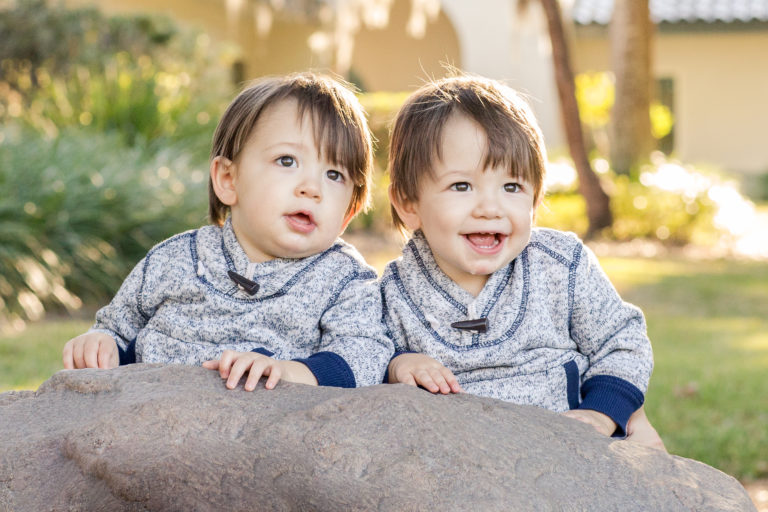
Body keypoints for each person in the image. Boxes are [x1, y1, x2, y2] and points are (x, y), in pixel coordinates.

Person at [380, 73, 665, 448]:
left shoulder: (560, 266)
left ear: (534, 199)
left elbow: (621, 340)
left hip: (572, 449)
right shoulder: (394, 292)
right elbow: (362, 356)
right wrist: (397, 365)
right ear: (408, 203)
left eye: (511, 187)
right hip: (463, 466)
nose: (490, 207)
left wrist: (602, 412)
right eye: (461, 186)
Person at [62, 72, 393, 391]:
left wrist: (292, 372)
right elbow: (118, 328)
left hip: (259, 433)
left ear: (348, 211)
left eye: (334, 174)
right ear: (228, 179)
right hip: (152, 419)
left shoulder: (343, 279)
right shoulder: (176, 259)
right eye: (287, 161)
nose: (312, 188)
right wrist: (100, 345)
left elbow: (367, 354)